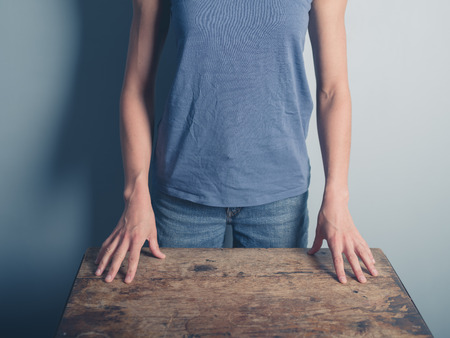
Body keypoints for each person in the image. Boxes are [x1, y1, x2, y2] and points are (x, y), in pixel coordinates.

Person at [94, 0, 379, 285]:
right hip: (182, 197)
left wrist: (337, 196)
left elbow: (333, 90)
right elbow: (137, 87)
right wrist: (136, 192)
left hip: (279, 199)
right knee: (175, 322)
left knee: (274, 325)